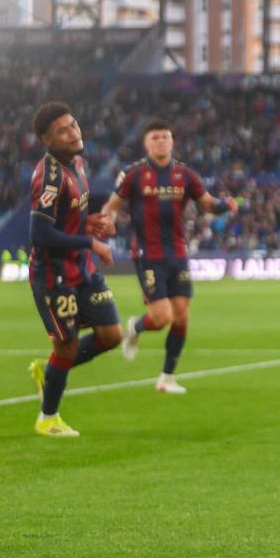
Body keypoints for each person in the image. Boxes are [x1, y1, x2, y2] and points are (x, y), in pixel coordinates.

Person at [100, 118, 238, 394]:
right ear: (146, 143)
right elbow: (112, 205)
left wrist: (225, 206)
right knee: (162, 318)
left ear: (172, 141)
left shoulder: (185, 175)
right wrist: (108, 220)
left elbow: (207, 204)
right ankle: (135, 327)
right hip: (148, 254)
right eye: (155, 137)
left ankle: (166, 377)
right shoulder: (133, 174)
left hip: (178, 253)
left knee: (182, 316)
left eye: (165, 136)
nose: (161, 141)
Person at [25, 101, 122, 438]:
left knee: (111, 335)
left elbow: (70, 217)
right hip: (54, 275)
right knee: (66, 346)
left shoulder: (78, 162)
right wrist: (90, 243)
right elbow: (40, 233)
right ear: (47, 140)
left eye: (73, 125)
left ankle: (48, 370)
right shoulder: (49, 175)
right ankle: (48, 418)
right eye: (62, 131)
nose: (72, 133)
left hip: (82, 268)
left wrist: (90, 222)